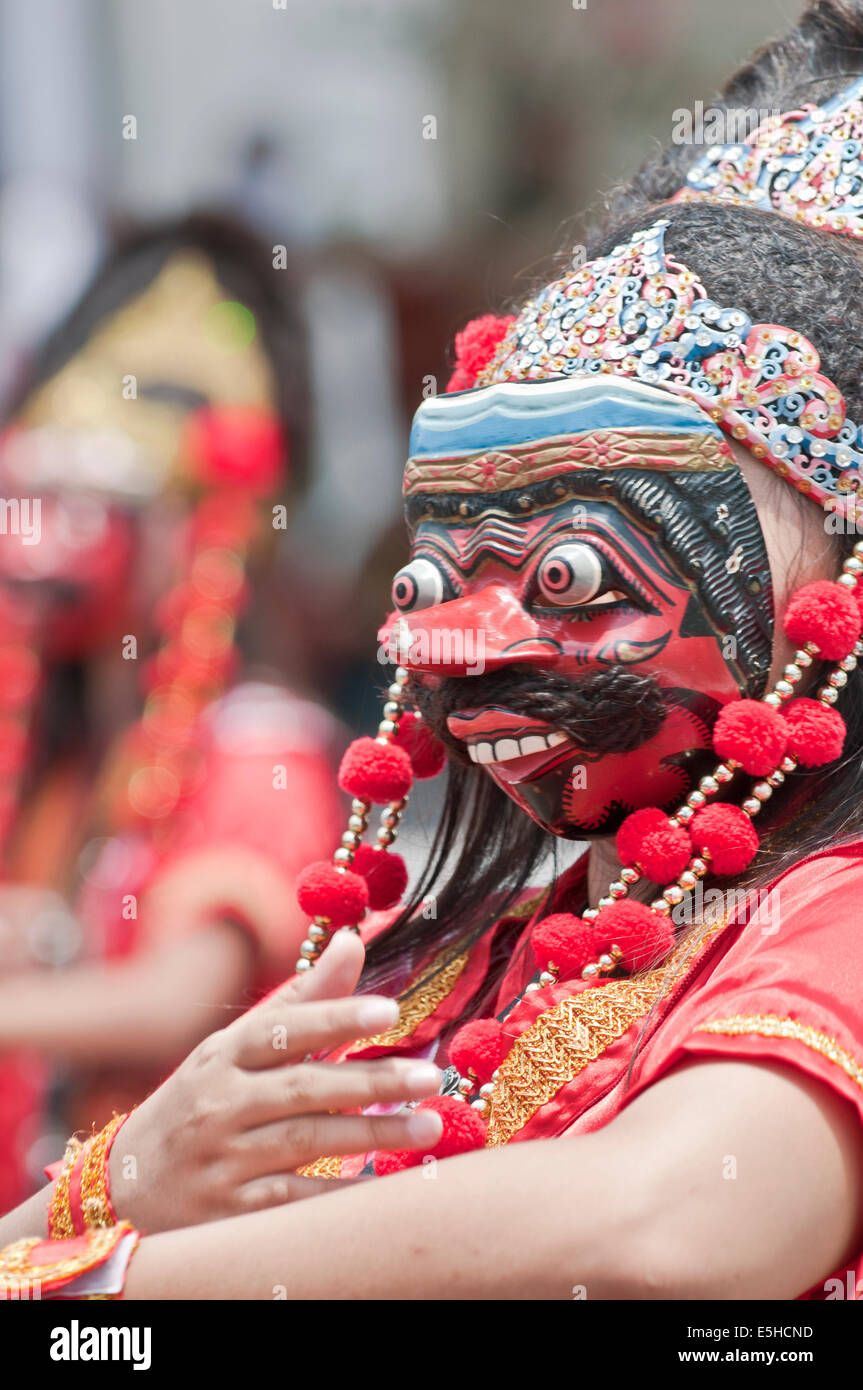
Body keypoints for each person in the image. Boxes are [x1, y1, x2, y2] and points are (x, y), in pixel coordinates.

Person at [4, 0, 863, 1301]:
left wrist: (98, 1286)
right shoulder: (489, 942)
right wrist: (109, 1194)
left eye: (568, 568)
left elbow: (659, 1224)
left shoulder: (826, 909)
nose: (453, 637)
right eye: (440, 568)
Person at [0, 214, 343, 1214]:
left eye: (109, 504)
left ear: (204, 526)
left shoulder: (259, 743)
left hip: (165, 1241)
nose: (63, 537)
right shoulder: (65, 749)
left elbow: (182, 998)